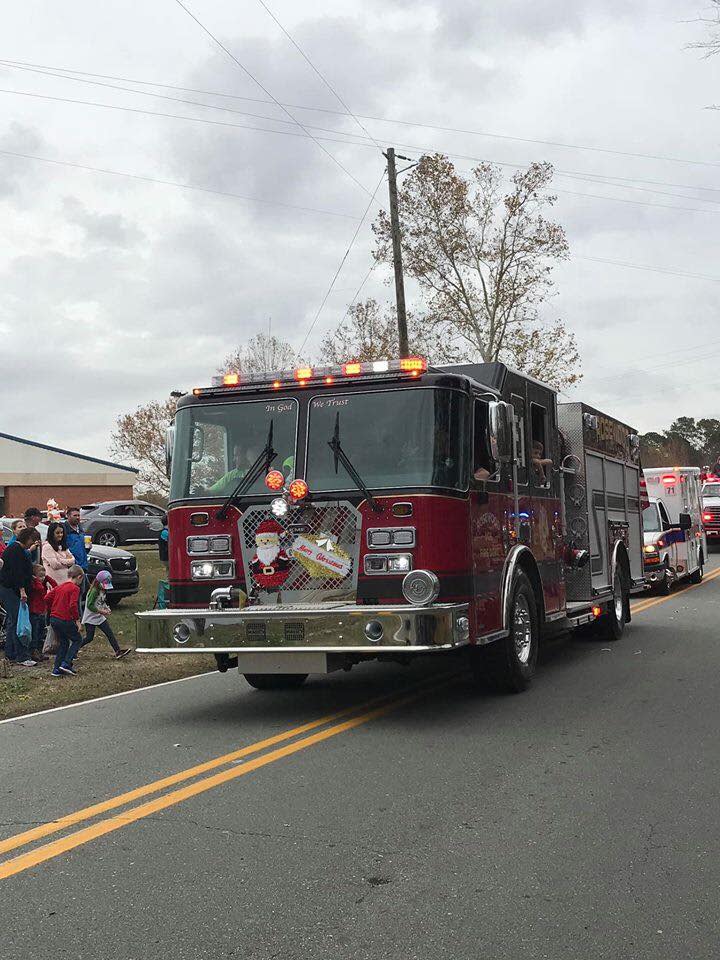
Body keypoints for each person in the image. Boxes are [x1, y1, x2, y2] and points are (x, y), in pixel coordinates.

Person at [0, 526, 42, 666]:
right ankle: (21, 655)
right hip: (11, 589)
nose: (33, 544)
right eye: (33, 540)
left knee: (13, 621)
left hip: (10, 588)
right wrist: (22, 591)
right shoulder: (16, 551)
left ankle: (10, 653)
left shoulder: (17, 550)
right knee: (18, 621)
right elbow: (17, 573)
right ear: (28, 538)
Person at [46, 564, 85, 677]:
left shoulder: (59, 587)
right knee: (77, 639)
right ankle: (66, 663)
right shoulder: (74, 588)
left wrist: (53, 607)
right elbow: (73, 605)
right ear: (79, 577)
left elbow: (47, 598)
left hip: (54, 618)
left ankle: (56, 669)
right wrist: (77, 620)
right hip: (65, 618)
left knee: (64, 642)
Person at [81, 570, 130, 659]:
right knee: (89, 637)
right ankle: (74, 649)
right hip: (90, 617)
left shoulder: (102, 590)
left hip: (99, 617)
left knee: (109, 633)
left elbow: (101, 601)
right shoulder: (94, 591)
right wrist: (101, 611)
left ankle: (118, 651)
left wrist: (106, 608)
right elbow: (89, 605)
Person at [28, 563, 56, 662]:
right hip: (34, 612)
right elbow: (39, 589)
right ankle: (33, 651)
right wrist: (37, 579)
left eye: (44, 576)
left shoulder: (43, 581)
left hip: (42, 612)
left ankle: (40, 650)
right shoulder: (34, 584)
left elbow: (54, 584)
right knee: (35, 633)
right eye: (41, 576)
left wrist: (47, 578)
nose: (43, 578)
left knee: (41, 632)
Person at [63, 507, 88, 594]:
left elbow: (83, 549)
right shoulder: (64, 530)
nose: (77, 517)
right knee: (72, 593)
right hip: (71, 568)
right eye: (75, 515)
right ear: (68, 516)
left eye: (78, 515)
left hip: (83, 566)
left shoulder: (81, 529)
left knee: (82, 592)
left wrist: (88, 548)